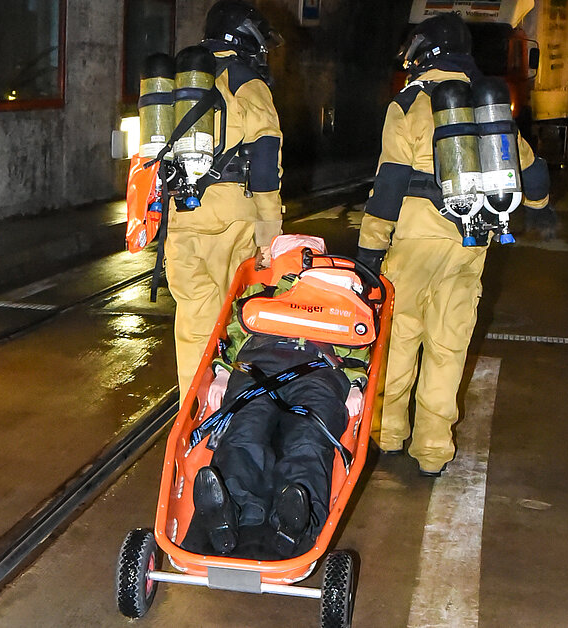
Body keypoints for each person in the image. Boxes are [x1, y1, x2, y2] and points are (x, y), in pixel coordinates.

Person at [355, 14, 550, 476]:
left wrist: (368, 253)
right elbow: (535, 182)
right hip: (470, 241)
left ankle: (387, 433)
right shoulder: (489, 110)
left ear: (423, 51)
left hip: (414, 243)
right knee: (448, 346)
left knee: (400, 339)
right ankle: (433, 450)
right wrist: (541, 205)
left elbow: (389, 186)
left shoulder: (407, 104)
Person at [187, 236, 370, 558]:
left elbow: (359, 346)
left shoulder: (342, 294)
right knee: (245, 432)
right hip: (258, 367)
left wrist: (355, 384)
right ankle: (229, 517)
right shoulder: (260, 295)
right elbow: (233, 337)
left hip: (320, 370)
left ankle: (293, 525)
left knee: (308, 440)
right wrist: (223, 372)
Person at [166, 0, 285, 400]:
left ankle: (193, 419)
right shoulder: (248, 82)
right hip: (234, 219)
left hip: (182, 213)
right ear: (248, 37)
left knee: (194, 325)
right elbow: (266, 159)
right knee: (237, 324)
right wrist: (271, 234)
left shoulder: (179, 81)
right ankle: (230, 421)